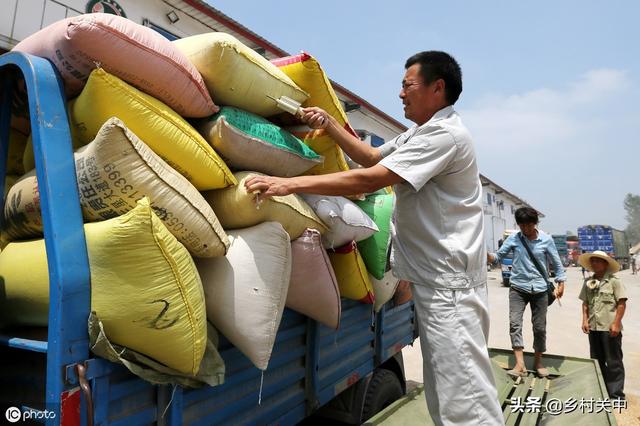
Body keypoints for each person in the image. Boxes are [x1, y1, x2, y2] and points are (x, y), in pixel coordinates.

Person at [246, 51, 504, 425]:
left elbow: (371, 179)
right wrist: (332, 125)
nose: (400, 94)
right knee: (445, 392)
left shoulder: (444, 136)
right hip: (436, 285)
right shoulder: (420, 134)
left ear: (437, 88)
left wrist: (287, 184)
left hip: (451, 289)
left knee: (464, 401)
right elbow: (370, 158)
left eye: (407, 85)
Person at [487, 207, 566, 378]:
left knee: (539, 327)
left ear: (535, 223)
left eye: (528, 226)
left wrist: (561, 282)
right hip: (518, 288)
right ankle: (520, 364)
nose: (525, 229)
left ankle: (538, 362)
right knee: (515, 324)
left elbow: (557, 263)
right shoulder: (515, 239)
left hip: (540, 290)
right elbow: (498, 257)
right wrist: (486, 255)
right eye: (522, 226)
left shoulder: (546, 240)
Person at [578, 251, 627, 400]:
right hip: (594, 328)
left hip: (609, 327)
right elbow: (585, 303)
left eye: (598, 261)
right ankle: (602, 390)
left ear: (606, 264)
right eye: (592, 261)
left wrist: (616, 323)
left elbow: (621, 303)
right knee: (596, 359)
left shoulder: (614, 281)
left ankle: (616, 394)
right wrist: (585, 320)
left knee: (613, 361)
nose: (594, 264)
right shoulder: (588, 282)